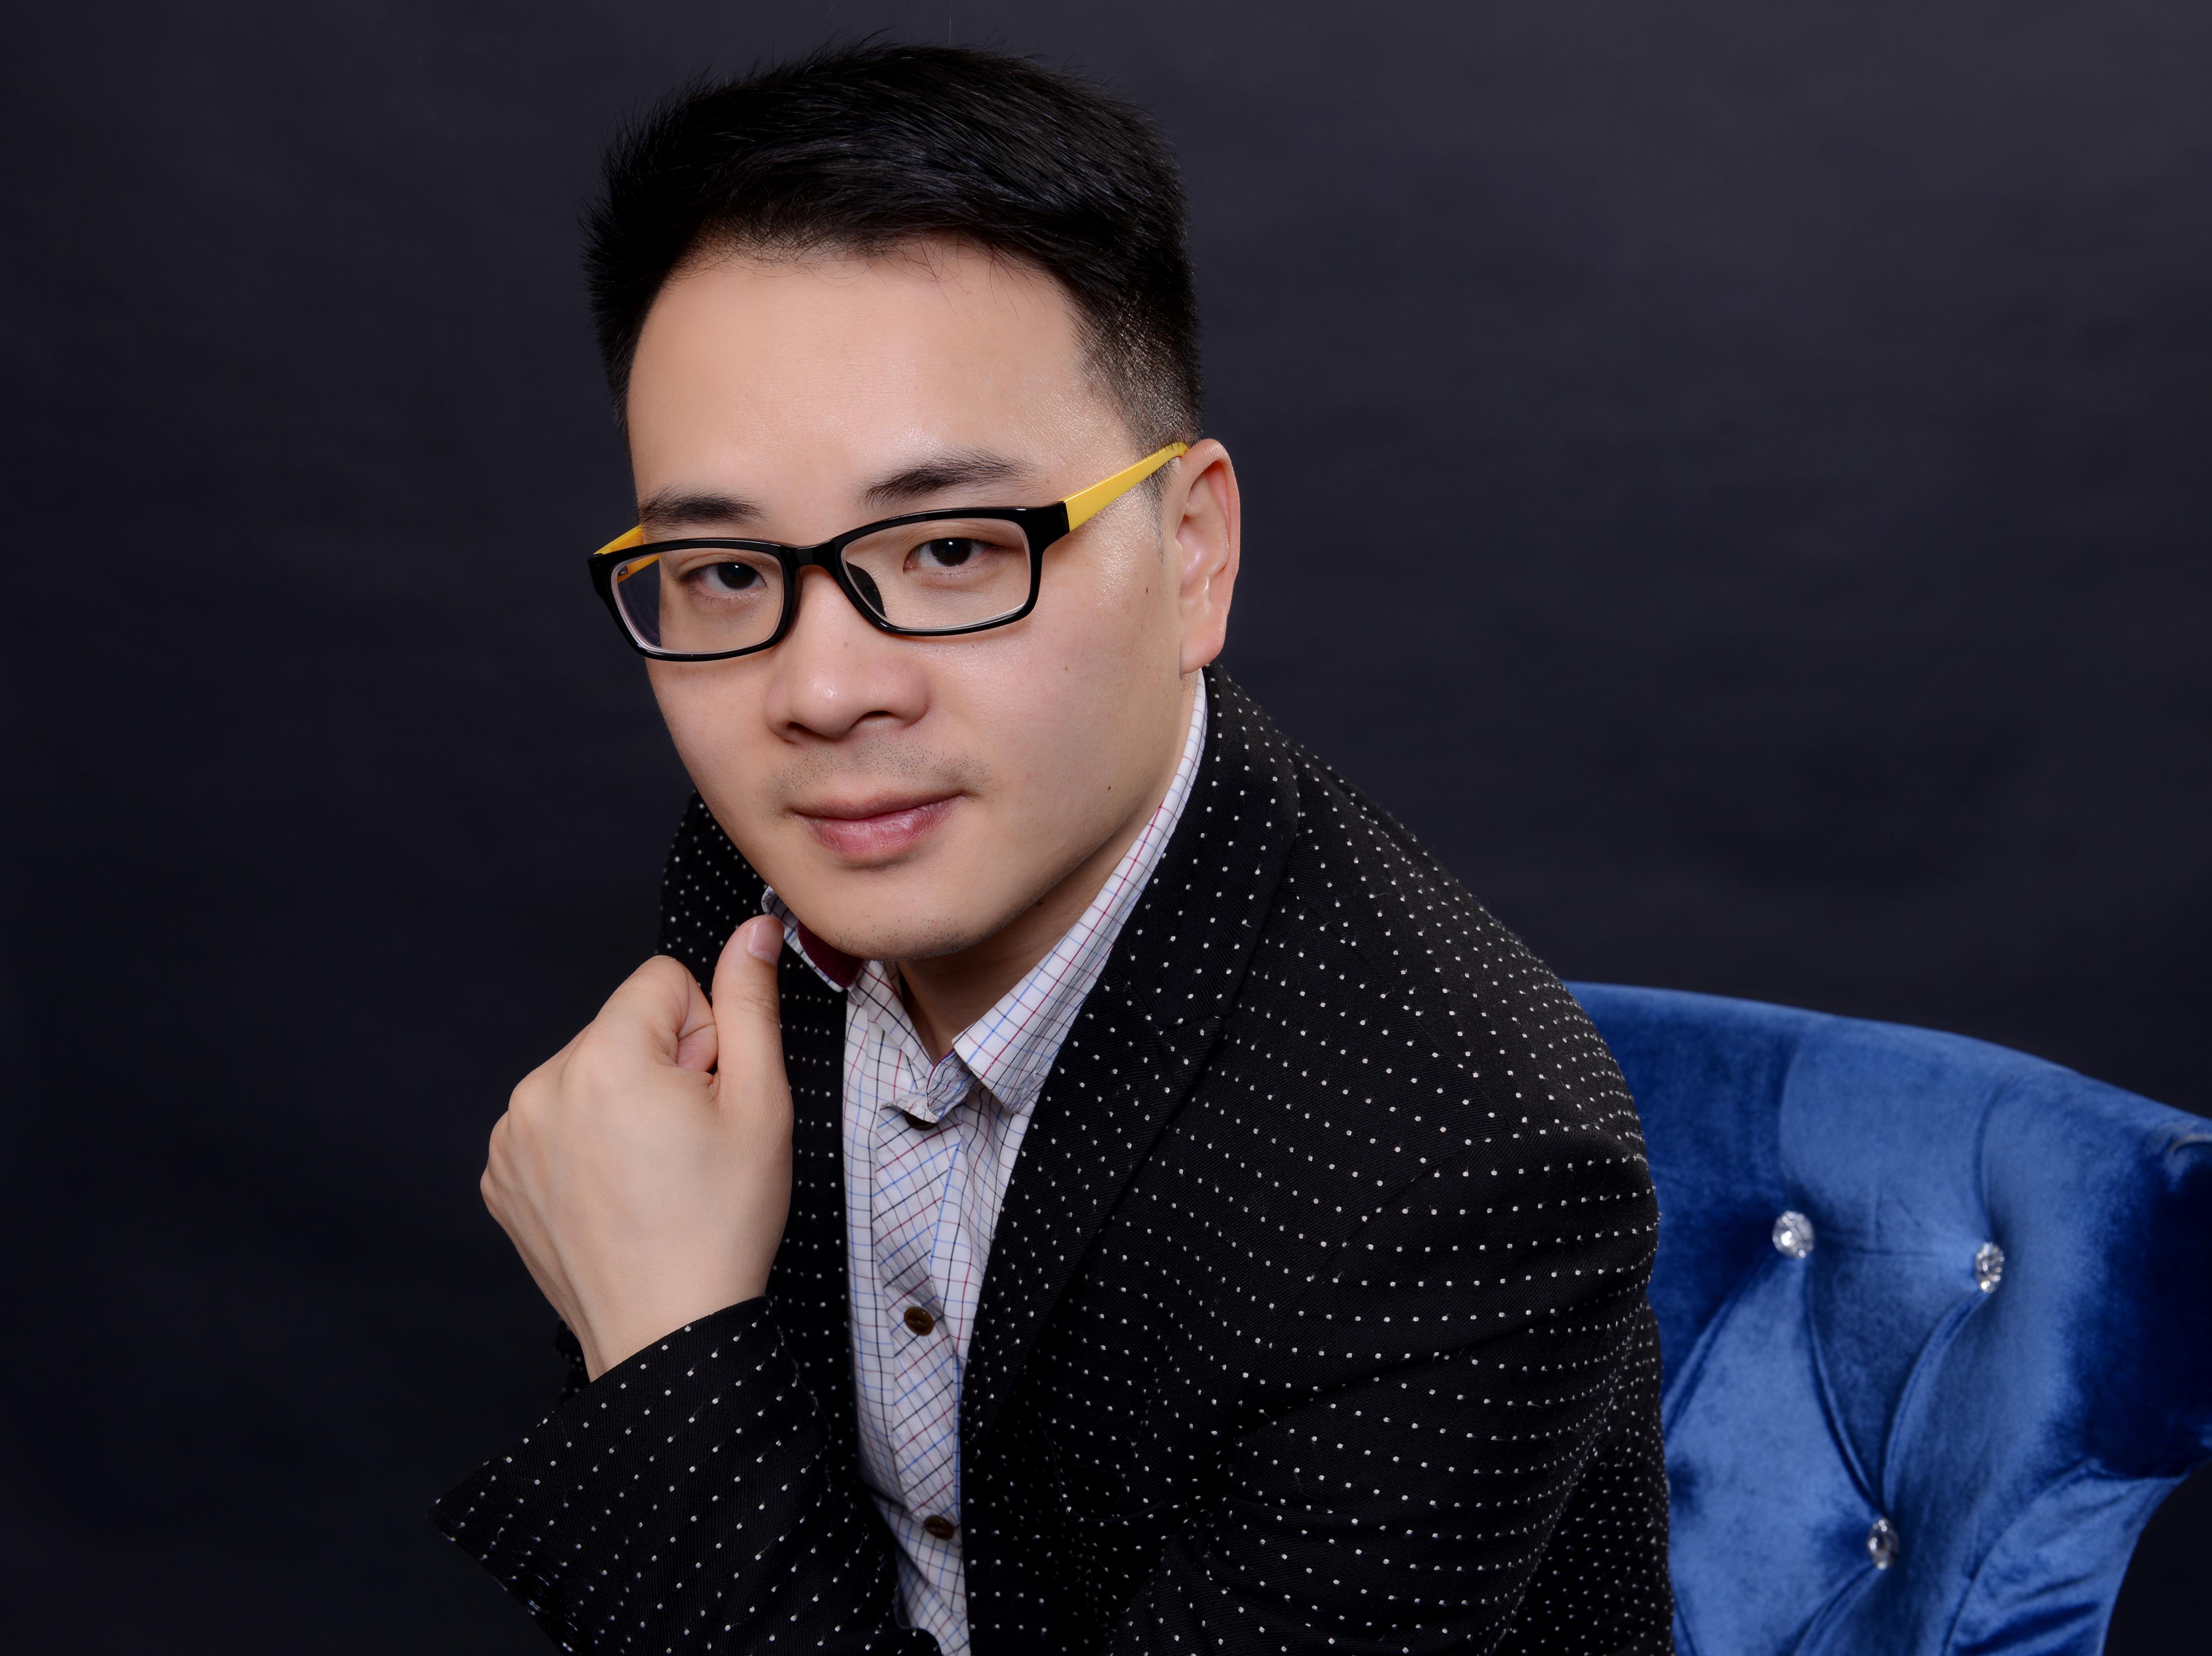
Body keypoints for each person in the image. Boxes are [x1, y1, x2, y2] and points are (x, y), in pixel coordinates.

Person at [438, 41, 1671, 1656]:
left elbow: (687, 1444)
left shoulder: (1470, 1176)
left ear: (1194, 552)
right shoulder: (773, 865)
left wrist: (665, 1339)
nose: (820, 693)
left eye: (953, 549)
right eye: (727, 573)